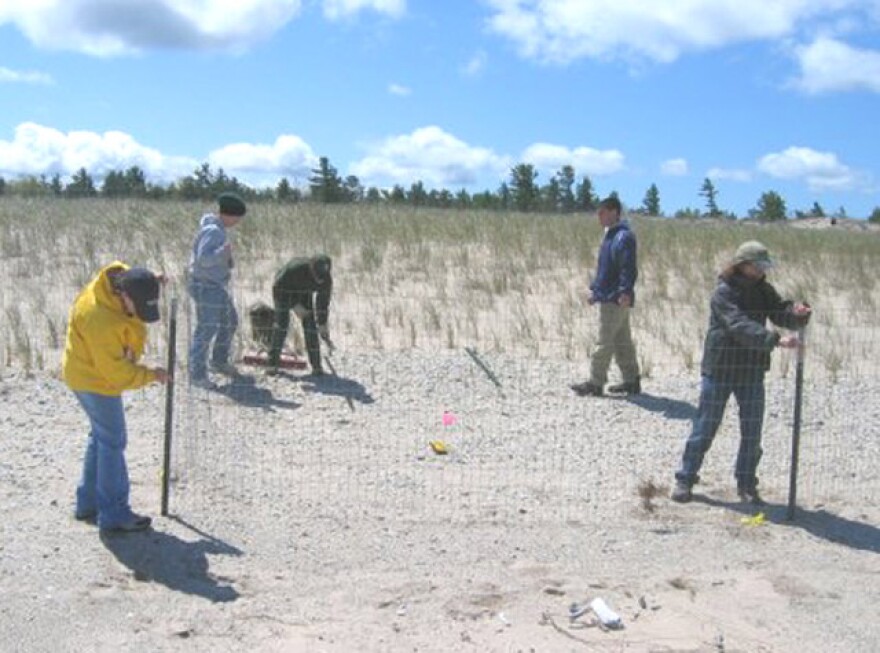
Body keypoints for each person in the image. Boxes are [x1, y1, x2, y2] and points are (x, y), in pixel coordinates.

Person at [671, 241, 811, 505]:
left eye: (763, 266)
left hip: (752, 370)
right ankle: (685, 479)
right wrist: (775, 341)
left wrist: (798, 313)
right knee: (705, 426)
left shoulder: (764, 290)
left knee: (752, 430)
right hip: (720, 368)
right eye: (756, 265)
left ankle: (747, 484)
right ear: (742, 264)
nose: (760, 270)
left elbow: (780, 312)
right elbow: (737, 324)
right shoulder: (723, 293)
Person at [62, 262, 168, 532]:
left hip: (82, 372)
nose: (140, 314)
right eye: (138, 307)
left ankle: (88, 503)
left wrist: (150, 281)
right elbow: (117, 374)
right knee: (112, 441)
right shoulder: (102, 320)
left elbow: (133, 276)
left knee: (101, 438)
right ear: (125, 297)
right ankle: (114, 513)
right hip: (94, 381)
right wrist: (151, 375)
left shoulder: (116, 280)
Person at [571, 195, 641, 397]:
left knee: (604, 341)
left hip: (615, 298)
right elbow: (606, 269)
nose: (598, 216)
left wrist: (625, 291)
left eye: (602, 212)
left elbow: (628, 268)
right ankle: (631, 380)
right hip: (610, 295)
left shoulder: (623, 237)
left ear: (614, 212)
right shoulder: (612, 235)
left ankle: (595, 382)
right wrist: (596, 291)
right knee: (622, 341)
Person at [187, 192, 246, 387]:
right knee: (206, 329)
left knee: (230, 321)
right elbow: (202, 260)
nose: (238, 221)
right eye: (237, 217)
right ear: (228, 215)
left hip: (215, 285)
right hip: (206, 286)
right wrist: (223, 253)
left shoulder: (217, 230)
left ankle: (218, 361)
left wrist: (226, 260)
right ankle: (197, 374)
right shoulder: (213, 231)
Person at [267, 255, 333, 375]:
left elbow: (322, 303)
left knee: (310, 325)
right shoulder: (294, 270)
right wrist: (294, 305)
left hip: (304, 293)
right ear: (311, 269)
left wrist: (323, 324)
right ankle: (272, 364)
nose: (319, 281)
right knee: (281, 325)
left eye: (322, 279)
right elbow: (277, 288)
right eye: (317, 277)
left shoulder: (326, 280)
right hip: (283, 290)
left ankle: (317, 367)